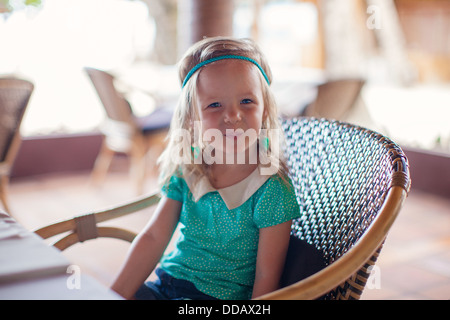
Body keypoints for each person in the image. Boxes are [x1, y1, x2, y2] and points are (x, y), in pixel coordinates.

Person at [111, 36, 301, 300]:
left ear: (266, 109)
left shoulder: (270, 188)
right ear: (192, 118)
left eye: (246, 101)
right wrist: (114, 294)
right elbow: (154, 236)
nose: (233, 115)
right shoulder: (188, 168)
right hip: (166, 285)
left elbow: (267, 276)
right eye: (214, 105)